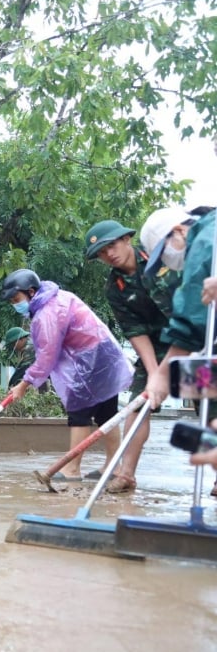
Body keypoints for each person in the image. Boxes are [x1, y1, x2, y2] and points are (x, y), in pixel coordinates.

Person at [82, 214, 186, 491]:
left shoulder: (162, 256)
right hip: (155, 347)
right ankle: (125, 474)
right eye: (102, 253)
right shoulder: (114, 289)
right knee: (138, 406)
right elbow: (135, 330)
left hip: (192, 341)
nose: (109, 255)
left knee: (208, 402)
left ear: (127, 238)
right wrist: (154, 373)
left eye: (112, 246)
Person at [2, 269, 132, 481]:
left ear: (31, 292)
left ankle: (72, 469)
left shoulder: (47, 313)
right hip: (103, 356)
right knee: (107, 414)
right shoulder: (58, 297)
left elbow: (46, 357)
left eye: (16, 299)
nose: (15, 305)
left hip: (88, 362)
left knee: (79, 413)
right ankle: (113, 467)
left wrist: (24, 384)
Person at [144, 205, 217, 496]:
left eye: (164, 254)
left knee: (194, 384)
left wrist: (163, 373)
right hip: (206, 353)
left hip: (197, 347)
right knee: (196, 384)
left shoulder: (204, 235)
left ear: (178, 231)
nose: (167, 262)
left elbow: (192, 312)